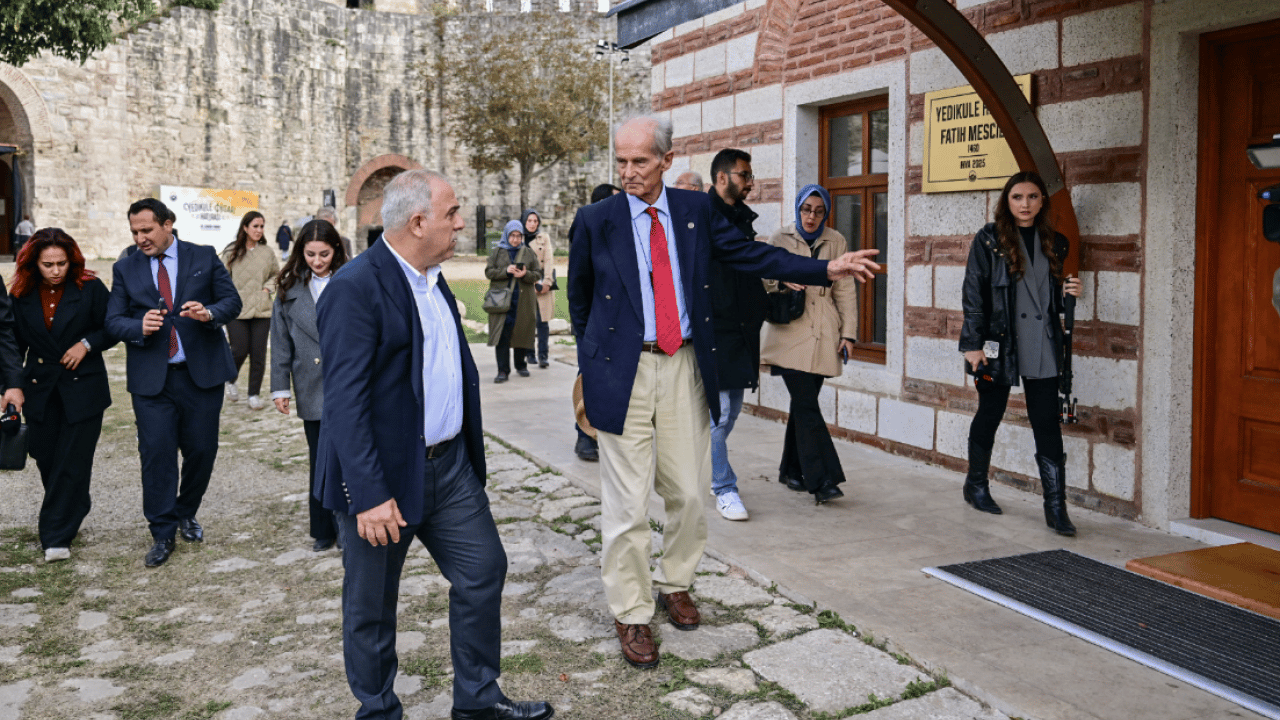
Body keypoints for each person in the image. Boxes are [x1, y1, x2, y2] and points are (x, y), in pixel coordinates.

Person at [567, 116, 878, 669]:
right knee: (626, 503)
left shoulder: (694, 211)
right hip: (623, 372)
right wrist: (593, 369)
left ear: (666, 160)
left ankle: (676, 582)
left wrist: (825, 267)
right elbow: (581, 300)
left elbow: (753, 255)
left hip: (685, 364)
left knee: (688, 492)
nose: (629, 172)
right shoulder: (596, 220)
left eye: (640, 161)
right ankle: (632, 611)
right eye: (622, 161)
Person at [313, 169, 552, 720]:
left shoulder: (432, 277)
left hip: (449, 468)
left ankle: (477, 701)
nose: (462, 222)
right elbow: (344, 404)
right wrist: (369, 495)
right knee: (372, 605)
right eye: (452, 213)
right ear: (418, 222)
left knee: (483, 570)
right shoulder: (355, 287)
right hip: (381, 479)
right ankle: (379, 710)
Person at [105, 198, 242, 568]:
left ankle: (186, 511)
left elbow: (232, 302)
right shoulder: (125, 267)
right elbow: (113, 320)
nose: (140, 238)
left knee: (202, 450)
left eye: (146, 230)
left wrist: (209, 313)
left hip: (201, 376)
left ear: (168, 224)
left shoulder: (204, 256)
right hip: (152, 382)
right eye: (134, 231)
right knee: (157, 454)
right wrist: (138, 326)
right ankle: (162, 531)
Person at [959, 171, 1083, 536]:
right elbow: (974, 292)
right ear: (1007, 201)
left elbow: (1050, 298)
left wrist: (1069, 291)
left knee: (1046, 421)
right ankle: (976, 485)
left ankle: (1056, 507)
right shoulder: (989, 239)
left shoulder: (1056, 243)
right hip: (1000, 342)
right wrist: (972, 344)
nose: (1025, 204)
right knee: (991, 412)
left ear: (1042, 201)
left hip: (1042, 342)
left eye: (1032, 197)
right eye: (1017, 197)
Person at [9, 229, 116, 563]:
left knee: (73, 460)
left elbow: (112, 326)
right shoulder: (21, 294)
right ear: (33, 263)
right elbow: (13, 345)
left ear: (72, 260)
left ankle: (55, 535)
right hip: (40, 387)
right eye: (48, 264)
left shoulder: (90, 288)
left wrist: (86, 344)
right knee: (45, 456)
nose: (56, 271)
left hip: (83, 387)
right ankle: (75, 503)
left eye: (62, 263)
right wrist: (10, 386)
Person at [760, 185, 859, 505]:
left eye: (818, 211)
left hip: (823, 332)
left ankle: (791, 470)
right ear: (798, 209)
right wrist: (780, 278)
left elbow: (845, 289)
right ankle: (823, 479)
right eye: (806, 209)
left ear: (825, 213)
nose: (811, 216)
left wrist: (848, 334)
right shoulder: (780, 238)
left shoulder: (836, 240)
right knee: (806, 405)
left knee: (803, 406)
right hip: (789, 332)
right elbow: (761, 274)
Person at [270, 219, 348, 552]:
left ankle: (350, 525)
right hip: (311, 385)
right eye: (311, 254)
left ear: (336, 250)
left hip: (349, 383)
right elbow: (280, 342)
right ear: (301, 251)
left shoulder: (352, 281)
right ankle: (323, 529)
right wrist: (280, 387)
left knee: (350, 457)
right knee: (320, 458)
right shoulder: (288, 288)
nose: (317, 261)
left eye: (324, 254)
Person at [706, 148, 764, 522]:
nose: (750, 183)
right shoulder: (702, 218)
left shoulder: (743, 219)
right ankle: (724, 487)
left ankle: (704, 461)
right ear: (722, 177)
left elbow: (749, 266)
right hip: (713, 329)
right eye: (745, 175)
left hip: (741, 331)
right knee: (720, 413)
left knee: (733, 413)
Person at [222, 211, 279, 410]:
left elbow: (276, 275)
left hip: (262, 308)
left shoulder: (267, 252)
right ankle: (230, 379)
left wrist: (267, 289)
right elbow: (221, 278)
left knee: (258, 354)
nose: (259, 230)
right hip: (236, 309)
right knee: (239, 348)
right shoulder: (231, 251)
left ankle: (253, 395)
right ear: (245, 227)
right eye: (255, 226)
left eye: (262, 226)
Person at [484, 220, 542, 383]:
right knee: (501, 335)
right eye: (512, 236)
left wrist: (525, 274)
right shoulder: (497, 252)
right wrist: (506, 271)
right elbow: (489, 272)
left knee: (521, 332)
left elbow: (537, 273)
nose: (515, 239)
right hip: (502, 301)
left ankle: (521, 365)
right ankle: (502, 370)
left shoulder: (528, 252)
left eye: (518, 236)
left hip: (523, 300)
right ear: (506, 235)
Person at [521, 209, 554, 369]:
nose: (532, 224)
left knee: (543, 321)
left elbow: (549, 260)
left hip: (542, 283)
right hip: (526, 283)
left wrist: (547, 281)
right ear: (524, 221)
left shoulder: (543, 238)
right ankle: (529, 353)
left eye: (535, 221)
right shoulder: (518, 238)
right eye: (529, 221)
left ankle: (543, 355)